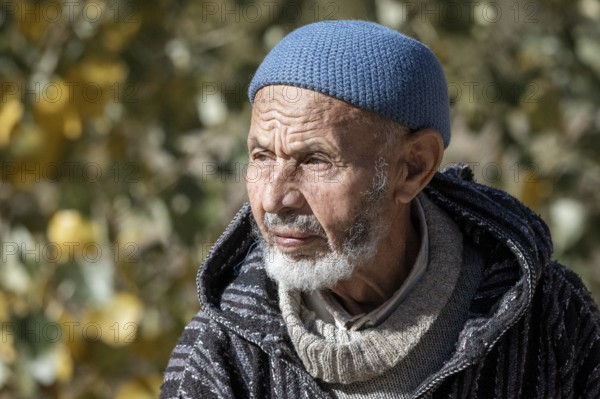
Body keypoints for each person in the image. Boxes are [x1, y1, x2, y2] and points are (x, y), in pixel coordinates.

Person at [161, 20, 600, 398]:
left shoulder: (547, 319)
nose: (274, 198)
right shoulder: (220, 354)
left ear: (414, 167)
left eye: (315, 161)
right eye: (261, 157)